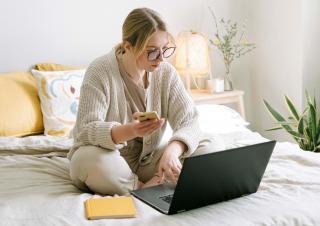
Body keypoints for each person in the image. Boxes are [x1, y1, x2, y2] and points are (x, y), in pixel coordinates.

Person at [68, 7, 215, 196]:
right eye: (152, 52)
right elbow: (84, 130)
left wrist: (172, 151)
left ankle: (152, 183)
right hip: (108, 160)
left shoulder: (165, 72)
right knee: (86, 160)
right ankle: (143, 188)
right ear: (128, 46)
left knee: (210, 143)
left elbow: (189, 121)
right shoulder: (99, 71)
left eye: (165, 49)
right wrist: (130, 130)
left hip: (147, 162)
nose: (161, 59)